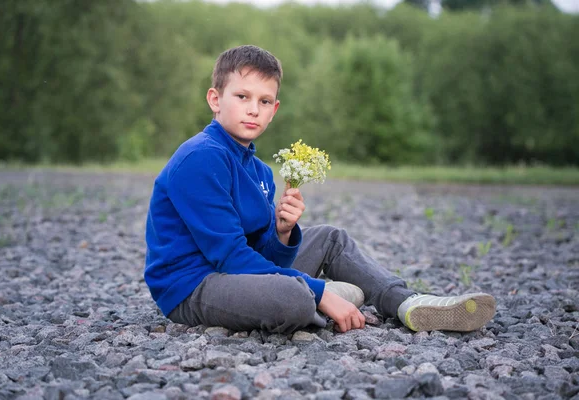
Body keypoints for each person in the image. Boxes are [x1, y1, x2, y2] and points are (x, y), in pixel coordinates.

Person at [144, 45, 496, 334]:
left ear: (274, 110)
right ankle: (320, 299)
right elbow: (231, 257)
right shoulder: (201, 157)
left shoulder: (260, 170)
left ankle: (407, 303)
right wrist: (319, 290)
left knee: (330, 238)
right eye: (242, 96)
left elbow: (263, 255)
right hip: (192, 286)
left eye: (265, 101)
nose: (253, 109)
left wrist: (282, 233)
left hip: (237, 275)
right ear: (215, 99)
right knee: (291, 300)